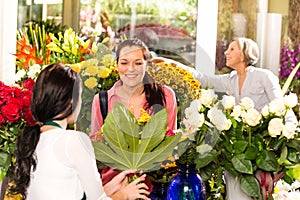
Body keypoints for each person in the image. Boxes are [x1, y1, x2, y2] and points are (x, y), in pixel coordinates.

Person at [151, 37, 297, 200]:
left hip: (261, 151)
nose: (226, 52)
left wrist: (288, 139)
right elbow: (201, 78)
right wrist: (172, 64)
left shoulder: (264, 77)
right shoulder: (231, 79)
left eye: (232, 49)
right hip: (237, 153)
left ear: (244, 54)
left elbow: (283, 107)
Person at [7, 63, 150, 200]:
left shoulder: (32, 139)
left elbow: (64, 191)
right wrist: (125, 194)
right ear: (71, 101)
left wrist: (107, 188)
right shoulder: (73, 140)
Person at [90, 39, 178, 187]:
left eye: (138, 63)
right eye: (124, 63)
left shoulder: (166, 96)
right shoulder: (102, 101)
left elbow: (170, 144)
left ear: (146, 65)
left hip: (152, 189)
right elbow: (97, 148)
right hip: (114, 188)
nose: (131, 69)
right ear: (117, 65)